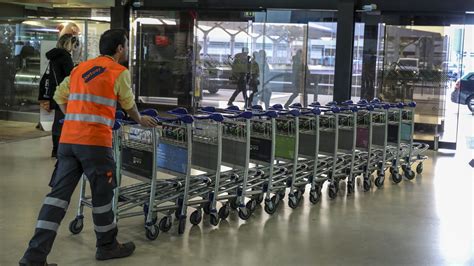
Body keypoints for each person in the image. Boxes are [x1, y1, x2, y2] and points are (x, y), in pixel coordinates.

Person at [19, 29, 158, 266]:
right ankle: (107, 246)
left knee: (56, 198)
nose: (126, 49)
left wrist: (74, 117)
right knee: (103, 195)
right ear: (120, 49)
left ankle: (34, 257)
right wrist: (139, 119)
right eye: (125, 45)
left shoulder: (80, 68)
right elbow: (128, 104)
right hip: (94, 144)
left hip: (68, 142)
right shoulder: (118, 72)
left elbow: (59, 95)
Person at [38, 34, 78, 158]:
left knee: (57, 121)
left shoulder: (54, 56)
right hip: (63, 93)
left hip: (54, 92)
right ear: (68, 43)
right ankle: (58, 149)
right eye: (74, 44)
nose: (75, 48)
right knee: (61, 120)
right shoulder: (65, 57)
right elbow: (69, 76)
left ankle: (56, 149)